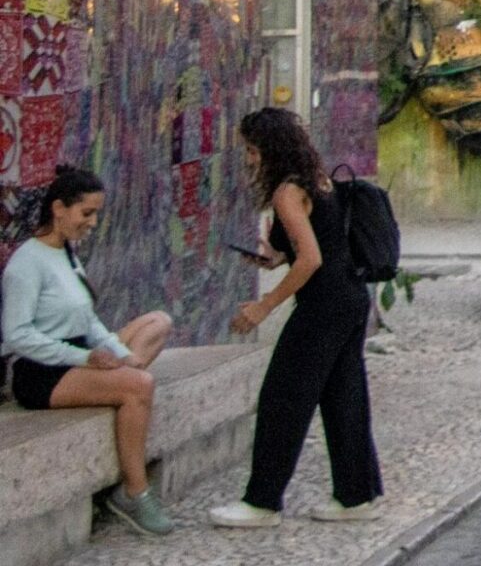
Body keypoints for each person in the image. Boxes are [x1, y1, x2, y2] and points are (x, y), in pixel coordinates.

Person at [214, 109, 381, 528]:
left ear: (268, 148)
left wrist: (263, 305)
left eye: (252, 149)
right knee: (344, 397)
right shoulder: (318, 178)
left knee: (283, 396)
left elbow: (311, 259)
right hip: (351, 295)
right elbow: (318, 244)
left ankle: (262, 502)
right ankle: (355, 496)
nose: (249, 159)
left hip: (324, 303)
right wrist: (275, 258)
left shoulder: (287, 192)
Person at [2, 166, 176, 536]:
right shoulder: (26, 263)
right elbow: (16, 335)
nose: (93, 222)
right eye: (87, 213)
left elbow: (87, 320)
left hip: (76, 358)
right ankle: (134, 492)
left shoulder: (66, 254)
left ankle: (131, 372)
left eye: (96, 213)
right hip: (40, 372)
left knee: (152, 338)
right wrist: (83, 358)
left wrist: (117, 352)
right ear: (59, 209)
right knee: (138, 386)